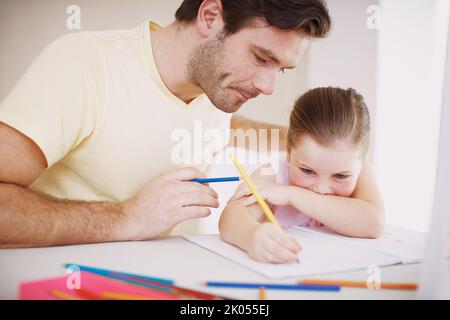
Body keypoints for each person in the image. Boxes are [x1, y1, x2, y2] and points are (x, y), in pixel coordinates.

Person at [0, 0, 331, 247]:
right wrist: (126, 218)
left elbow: (203, 126)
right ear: (211, 16)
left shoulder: (217, 89)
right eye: (261, 58)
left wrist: (306, 144)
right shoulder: (83, 65)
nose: (268, 87)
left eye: (281, 69)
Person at [219, 87, 385, 264]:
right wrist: (251, 236)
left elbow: (373, 223)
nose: (321, 189)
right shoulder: (274, 173)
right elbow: (230, 218)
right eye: (307, 171)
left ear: (361, 160)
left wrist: (293, 194)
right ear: (289, 152)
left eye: (340, 176)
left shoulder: (361, 170)